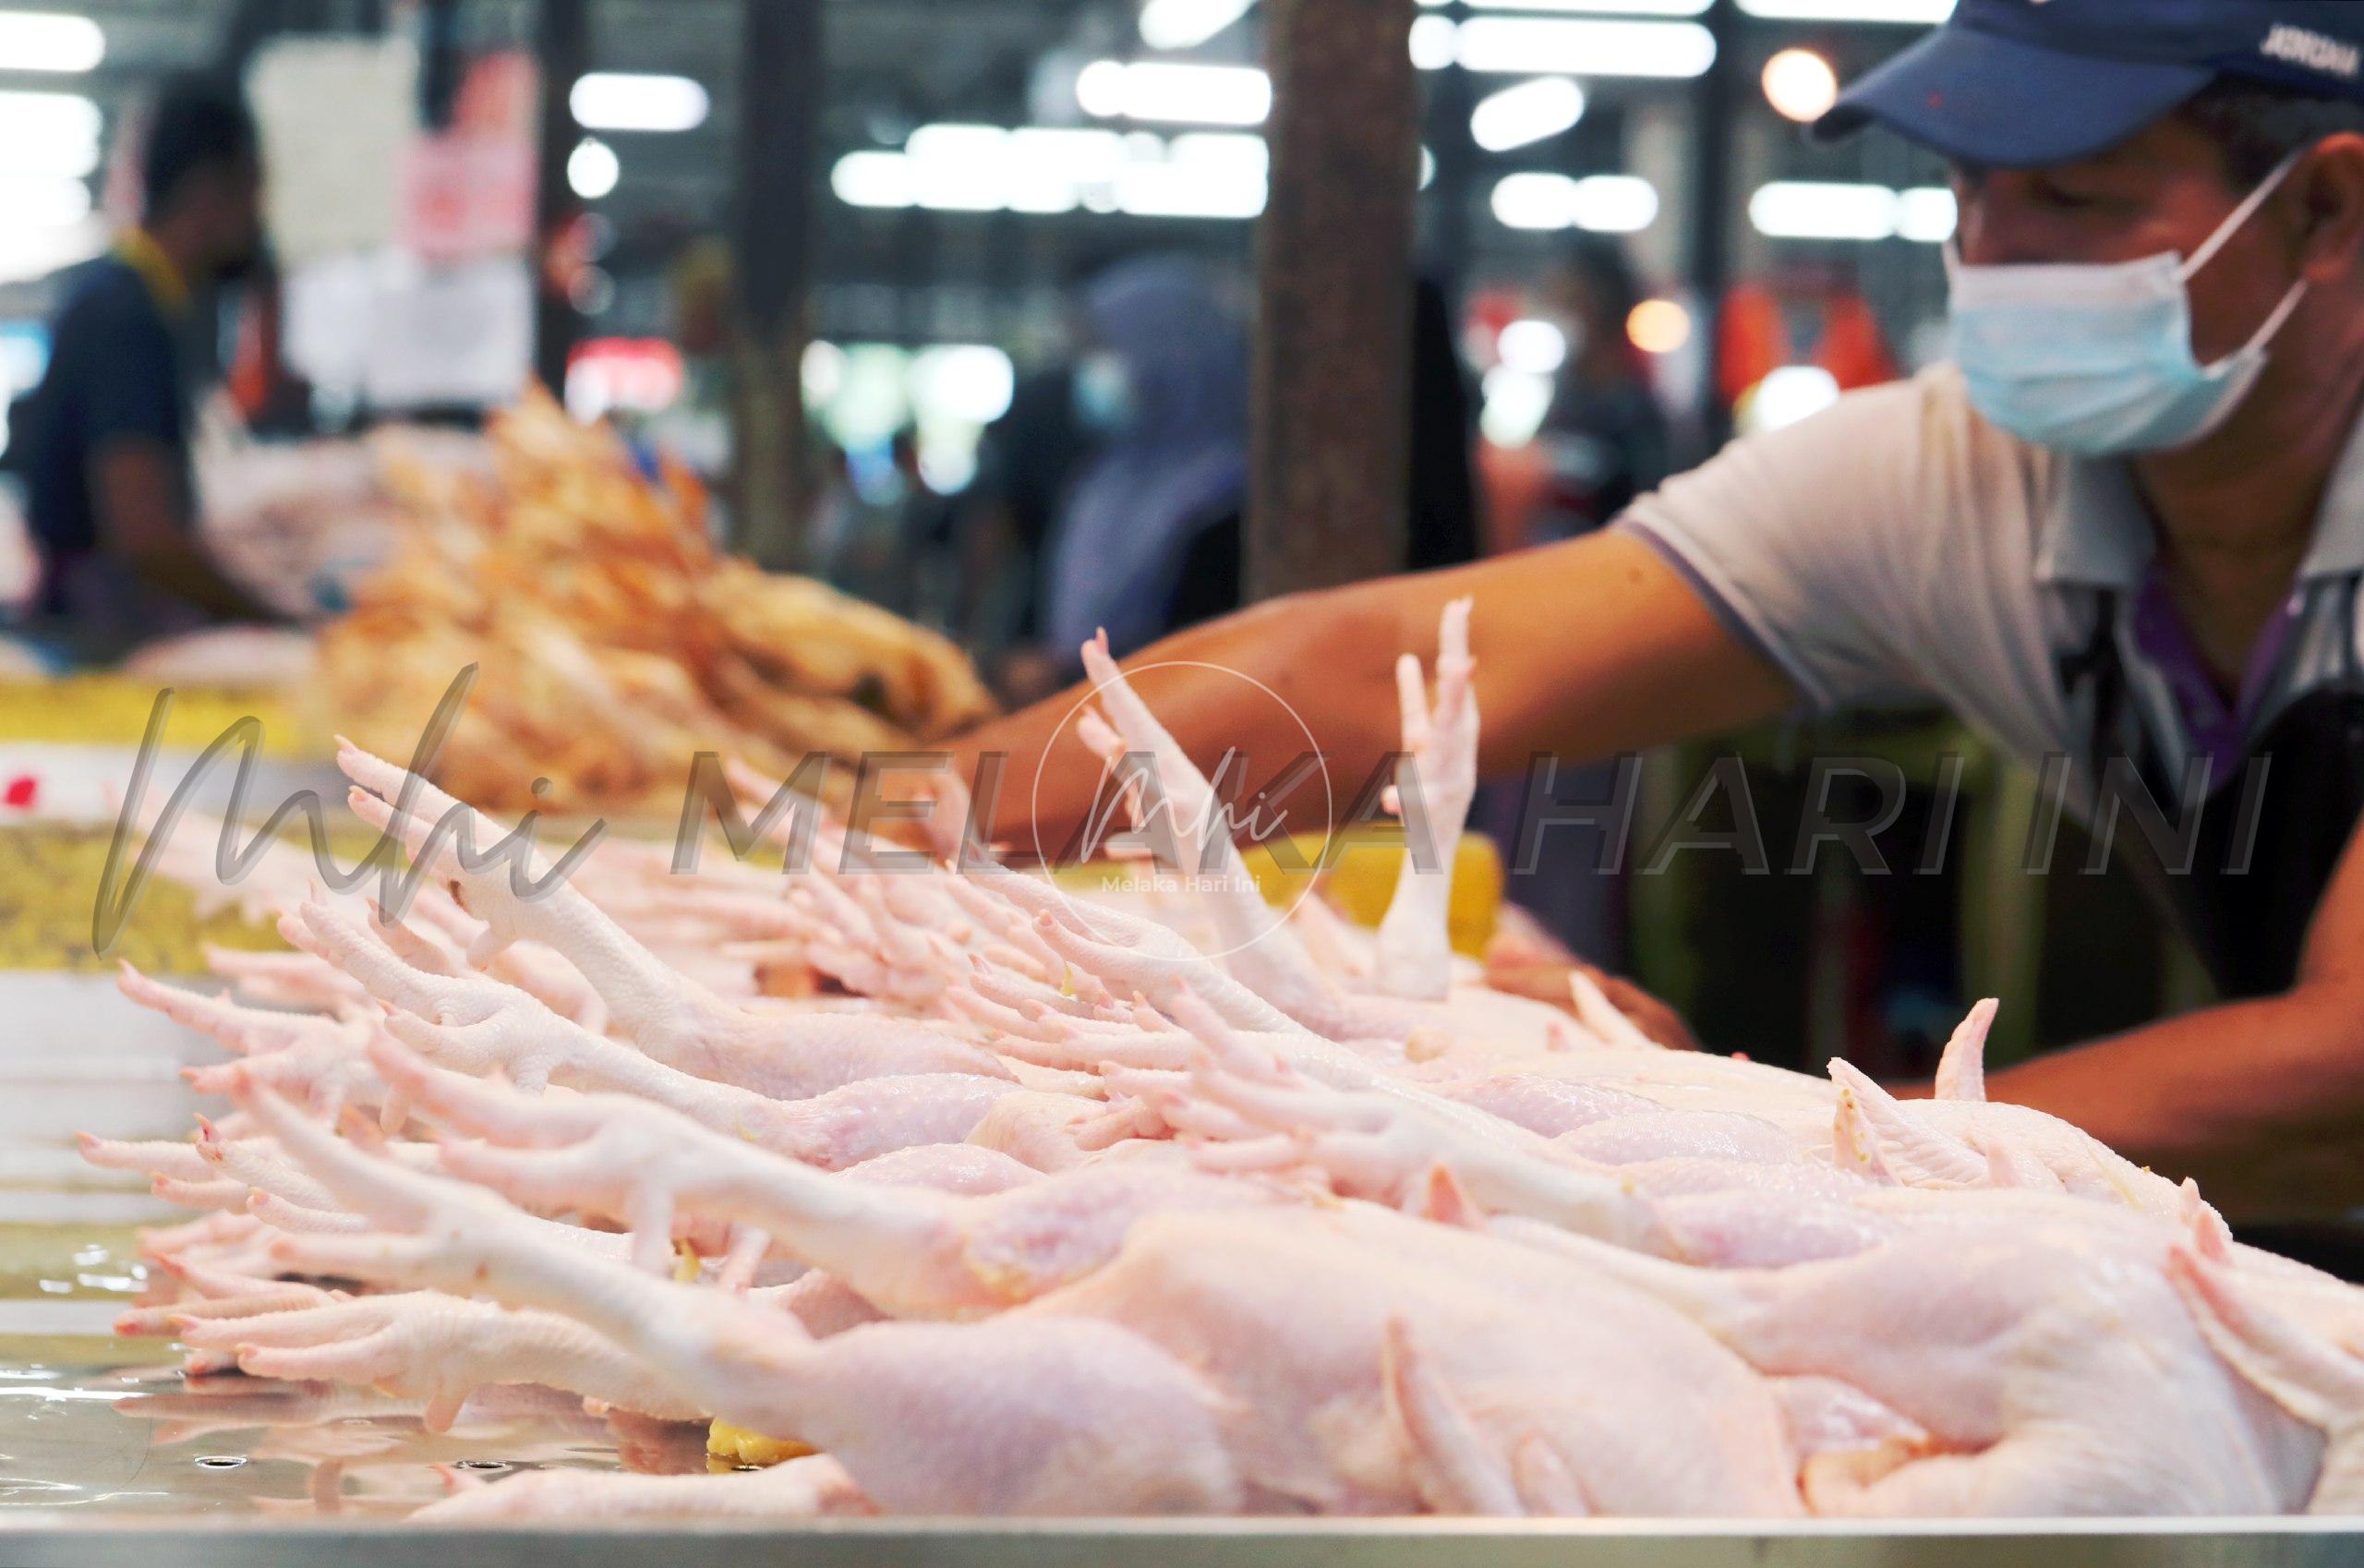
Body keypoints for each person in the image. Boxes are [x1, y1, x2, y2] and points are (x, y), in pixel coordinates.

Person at [953, 0, 2364, 1230]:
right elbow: (1369, 672)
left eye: (2075, 200)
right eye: (1967, 192)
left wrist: (1746, 1137)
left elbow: (2341, 1067)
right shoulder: (1965, 478)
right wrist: (870, 839)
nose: (1992, 255)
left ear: (2326, 211)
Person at [18, 73, 278, 661]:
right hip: (91, 648)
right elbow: (146, 536)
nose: (260, 221)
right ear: (212, 191)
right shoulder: (126, 317)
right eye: (254, 193)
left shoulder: (136, 299)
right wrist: (265, 614)